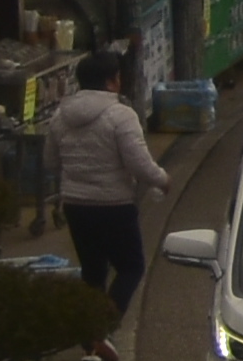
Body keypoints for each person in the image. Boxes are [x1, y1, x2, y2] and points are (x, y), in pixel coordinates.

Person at [38, 50, 162, 337]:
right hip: (114, 204)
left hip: (76, 205)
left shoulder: (60, 117)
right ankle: (101, 329)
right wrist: (162, 179)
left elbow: (50, 162)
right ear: (111, 81)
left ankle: (90, 338)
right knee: (130, 267)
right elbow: (139, 163)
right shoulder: (121, 115)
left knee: (93, 271)